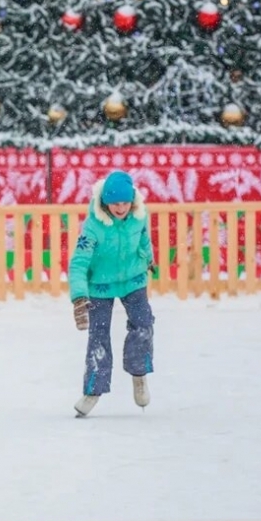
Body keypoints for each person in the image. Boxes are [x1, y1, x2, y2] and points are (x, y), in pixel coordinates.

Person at [68, 170, 155, 418]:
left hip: (133, 280)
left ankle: (139, 374)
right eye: (115, 203)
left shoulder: (139, 216)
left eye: (125, 202)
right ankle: (92, 391)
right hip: (100, 285)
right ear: (105, 201)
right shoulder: (93, 226)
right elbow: (79, 262)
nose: (120, 208)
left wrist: (149, 259)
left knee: (143, 325)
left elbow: (144, 240)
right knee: (98, 336)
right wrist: (79, 296)